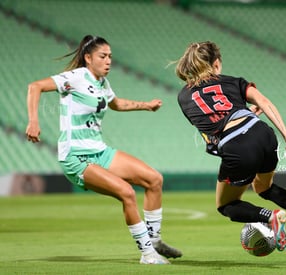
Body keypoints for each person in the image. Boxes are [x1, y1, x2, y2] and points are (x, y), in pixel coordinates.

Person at [26, 35, 182, 264]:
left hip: (99, 152)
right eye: (103, 56)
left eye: (110, 56)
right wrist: (34, 121)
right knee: (127, 193)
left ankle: (155, 240)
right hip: (76, 157)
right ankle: (148, 254)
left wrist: (145, 106)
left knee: (154, 179)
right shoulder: (75, 78)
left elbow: (116, 103)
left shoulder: (102, 83)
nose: (108, 61)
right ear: (88, 58)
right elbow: (35, 86)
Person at [175, 41, 286, 251]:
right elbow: (265, 102)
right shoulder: (232, 82)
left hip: (236, 145)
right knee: (264, 187)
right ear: (216, 64)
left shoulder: (183, 97)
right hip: (263, 133)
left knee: (226, 206)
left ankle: (271, 217)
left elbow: (210, 130)